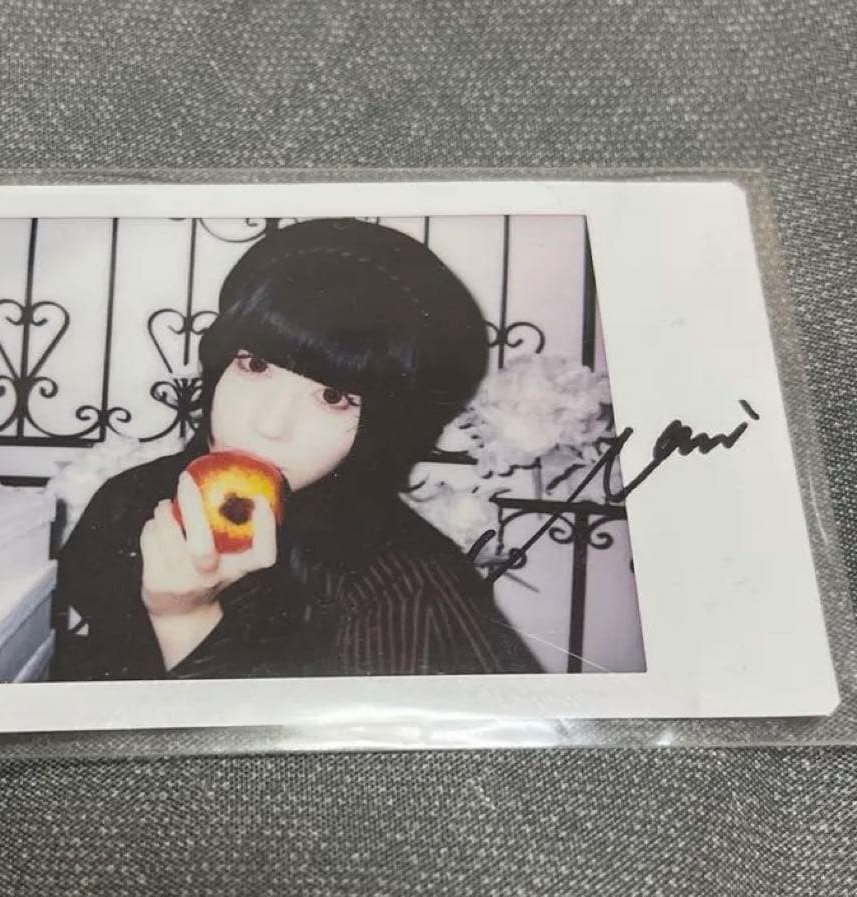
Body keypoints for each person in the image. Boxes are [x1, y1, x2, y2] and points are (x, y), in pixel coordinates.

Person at [51, 218, 541, 681]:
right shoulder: (131, 499)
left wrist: (186, 619)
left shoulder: (403, 588)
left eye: (332, 396)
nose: (268, 425)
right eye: (256, 365)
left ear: (381, 426)